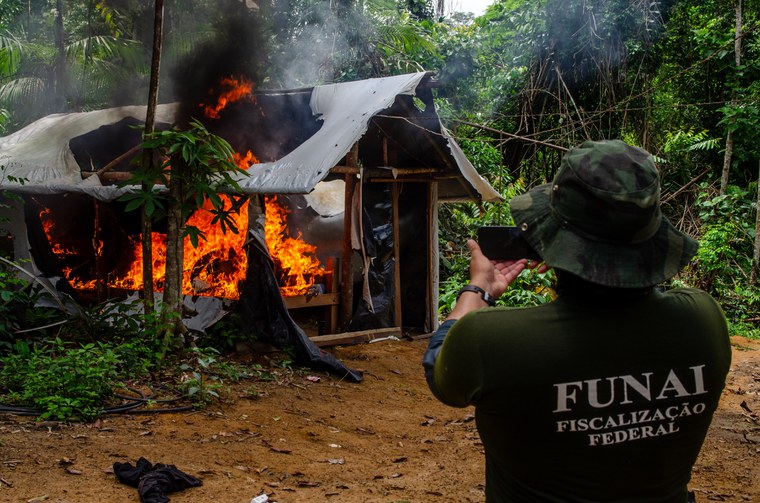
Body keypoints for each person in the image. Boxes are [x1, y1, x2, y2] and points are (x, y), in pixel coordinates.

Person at [423, 140, 731, 503]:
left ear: (552, 238)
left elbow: (439, 368)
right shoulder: (704, 322)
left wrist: (478, 291)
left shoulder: (490, 340)